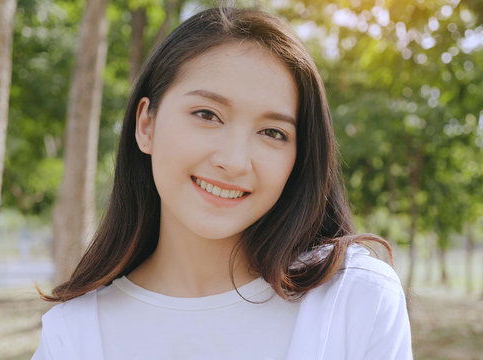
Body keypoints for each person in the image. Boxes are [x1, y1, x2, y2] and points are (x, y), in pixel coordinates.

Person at [33, 6, 412, 360]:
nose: (232, 161)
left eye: (272, 132)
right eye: (207, 114)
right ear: (146, 124)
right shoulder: (74, 335)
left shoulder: (354, 299)